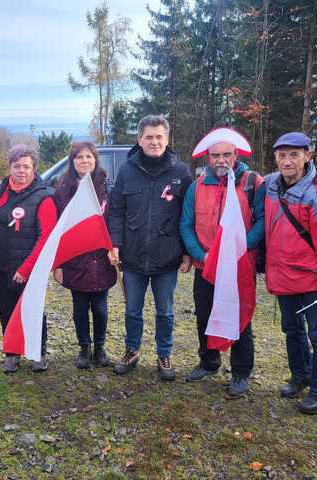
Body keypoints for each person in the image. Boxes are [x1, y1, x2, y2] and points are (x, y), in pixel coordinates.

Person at [265, 132, 317, 415]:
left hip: (313, 280)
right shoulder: (272, 186)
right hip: (285, 276)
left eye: (294, 155)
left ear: (307, 156)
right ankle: (300, 375)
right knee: (291, 330)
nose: (287, 161)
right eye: (282, 155)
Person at [107, 114, 193, 381]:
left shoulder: (181, 172)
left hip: (167, 258)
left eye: (159, 137)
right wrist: (115, 244)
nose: (154, 142)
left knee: (164, 311)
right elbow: (116, 210)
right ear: (139, 140)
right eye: (149, 137)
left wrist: (188, 252)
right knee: (133, 309)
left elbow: (189, 215)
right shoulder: (126, 170)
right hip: (132, 258)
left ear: (167, 139)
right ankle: (131, 351)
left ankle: (164, 354)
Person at [179, 132, 264, 397]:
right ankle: (209, 362)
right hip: (206, 265)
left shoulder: (253, 184)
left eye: (226, 154)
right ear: (208, 157)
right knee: (204, 315)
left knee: (239, 318)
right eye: (216, 155)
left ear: (236, 155)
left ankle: (240, 372)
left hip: (238, 266)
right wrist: (200, 255)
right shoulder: (197, 186)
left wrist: (238, 249)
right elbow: (186, 225)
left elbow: (262, 222)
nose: (221, 160)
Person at [0, 144, 57, 374]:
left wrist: (25, 269)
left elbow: (45, 238)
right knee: (6, 310)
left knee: (32, 310)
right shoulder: (1, 189)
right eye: (16, 166)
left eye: (26, 166)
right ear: (9, 167)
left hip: (27, 268)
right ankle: (11, 354)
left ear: (34, 168)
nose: (21, 171)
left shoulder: (44, 197)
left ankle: (37, 353)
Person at [53, 142, 117, 369]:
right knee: (79, 307)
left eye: (89, 157)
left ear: (95, 160)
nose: (85, 161)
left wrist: (114, 248)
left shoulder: (107, 188)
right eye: (80, 157)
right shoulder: (62, 190)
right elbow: (58, 229)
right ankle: (84, 348)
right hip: (75, 259)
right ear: (73, 161)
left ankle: (100, 348)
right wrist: (58, 263)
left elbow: (114, 221)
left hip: (101, 259)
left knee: (100, 308)